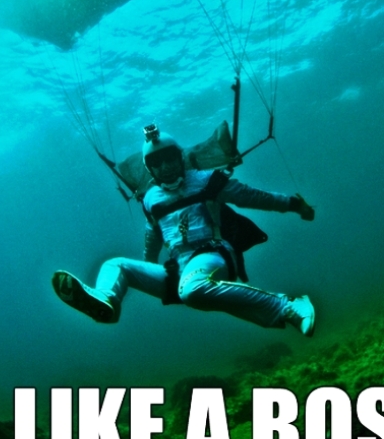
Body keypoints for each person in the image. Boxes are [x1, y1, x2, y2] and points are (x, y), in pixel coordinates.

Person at [52, 125, 316, 336]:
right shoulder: (150, 199)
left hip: (213, 251)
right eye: (157, 162)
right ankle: (106, 300)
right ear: (150, 169)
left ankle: (289, 306)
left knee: (192, 289)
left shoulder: (208, 180)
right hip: (177, 267)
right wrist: (147, 266)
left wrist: (293, 204)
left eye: (169, 158)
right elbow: (152, 234)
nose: (165, 166)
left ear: (179, 157)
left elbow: (252, 196)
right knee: (115, 265)